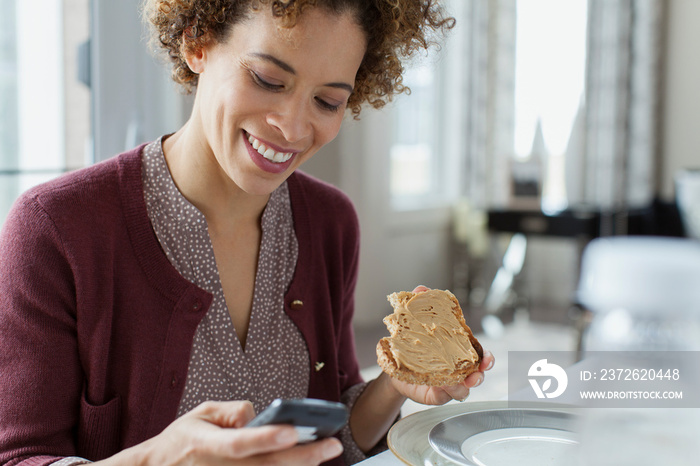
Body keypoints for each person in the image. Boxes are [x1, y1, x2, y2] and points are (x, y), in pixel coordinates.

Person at [0, 0, 494, 465]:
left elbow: (334, 434)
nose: (294, 128)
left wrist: (394, 382)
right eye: (268, 79)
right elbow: (19, 456)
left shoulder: (330, 223)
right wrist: (157, 458)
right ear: (197, 41)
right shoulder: (57, 228)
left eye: (327, 101)